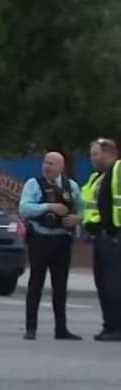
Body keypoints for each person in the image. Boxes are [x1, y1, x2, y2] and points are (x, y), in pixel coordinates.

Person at [18, 150, 83, 341]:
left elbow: (81, 209)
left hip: (62, 240)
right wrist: (48, 206)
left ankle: (61, 329)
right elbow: (24, 208)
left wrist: (77, 218)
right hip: (40, 238)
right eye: (45, 162)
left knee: (60, 286)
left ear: (61, 167)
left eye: (51, 163)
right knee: (35, 284)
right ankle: (31, 328)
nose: (46, 166)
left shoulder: (71, 187)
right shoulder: (34, 184)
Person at [82, 138, 121, 341]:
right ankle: (109, 325)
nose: (93, 159)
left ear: (108, 153)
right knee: (104, 284)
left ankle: (116, 327)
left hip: (114, 236)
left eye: (96, 154)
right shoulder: (97, 177)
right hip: (100, 236)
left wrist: (113, 231)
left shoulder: (117, 170)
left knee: (114, 284)